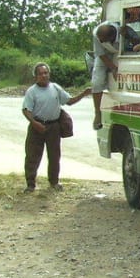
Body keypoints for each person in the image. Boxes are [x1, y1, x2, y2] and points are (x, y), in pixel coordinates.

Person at [22, 63, 90, 193]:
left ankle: (54, 182)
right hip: (37, 127)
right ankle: (30, 184)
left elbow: (69, 101)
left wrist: (84, 93)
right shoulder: (32, 91)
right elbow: (26, 110)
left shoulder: (55, 88)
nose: (43, 76)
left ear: (49, 74)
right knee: (32, 156)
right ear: (36, 76)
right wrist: (35, 123)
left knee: (54, 156)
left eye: (45, 73)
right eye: (40, 74)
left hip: (53, 127)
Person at [92, 21, 120, 130]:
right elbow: (101, 54)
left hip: (120, 52)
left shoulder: (121, 32)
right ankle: (97, 113)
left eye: (103, 40)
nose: (101, 41)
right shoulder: (96, 33)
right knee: (96, 82)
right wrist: (113, 67)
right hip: (104, 54)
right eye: (100, 40)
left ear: (112, 37)